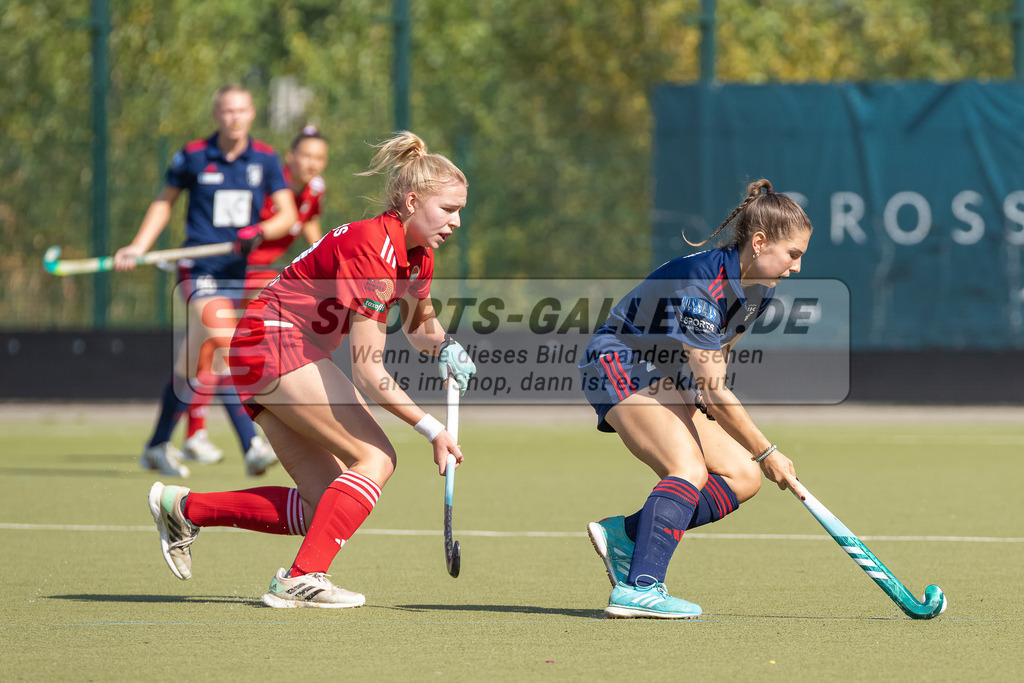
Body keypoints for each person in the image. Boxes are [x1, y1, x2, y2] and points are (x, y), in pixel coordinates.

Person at [145, 131, 478, 609]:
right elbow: (368, 372)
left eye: (460, 211)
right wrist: (432, 429)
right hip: (275, 342)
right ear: (411, 202)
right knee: (376, 458)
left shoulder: (416, 255)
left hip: (267, 349)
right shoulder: (375, 248)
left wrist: (445, 346)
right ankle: (302, 577)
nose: (456, 222)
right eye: (448, 209)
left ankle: (184, 508)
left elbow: (420, 326)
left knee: (323, 504)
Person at [579, 179, 810, 619]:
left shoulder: (760, 288)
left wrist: (701, 393)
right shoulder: (703, 283)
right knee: (688, 469)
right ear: (760, 242)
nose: (797, 267)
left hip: (666, 373)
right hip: (619, 360)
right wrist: (768, 451)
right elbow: (716, 392)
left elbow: (720, 355)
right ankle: (640, 587)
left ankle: (627, 536)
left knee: (743, 476)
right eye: (793, 254)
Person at [114, 84, 298, 478]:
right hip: (197, 270)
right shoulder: (194, 155)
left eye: (241, 110)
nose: (235, 118)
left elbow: (288, 215)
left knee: (192, 363)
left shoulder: (265, 158)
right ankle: (251, 444)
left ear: (252, 113)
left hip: (234, 273)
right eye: (227, 111)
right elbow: (164, 201)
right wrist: (139, 245)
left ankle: (156, 446)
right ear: (216, 115)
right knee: (228, 345)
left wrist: (260, 231)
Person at [182, 125, 329, 464]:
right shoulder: (267, 184)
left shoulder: (315, 190)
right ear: (290, 157)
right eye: (306, 155)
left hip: (263, 274)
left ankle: (184, 437)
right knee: (219, 350)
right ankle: (227, 436)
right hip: (236, 272)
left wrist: (326, 265)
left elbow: (311, 228)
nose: (312, 163)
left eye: (320, 158)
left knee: (210, 352)